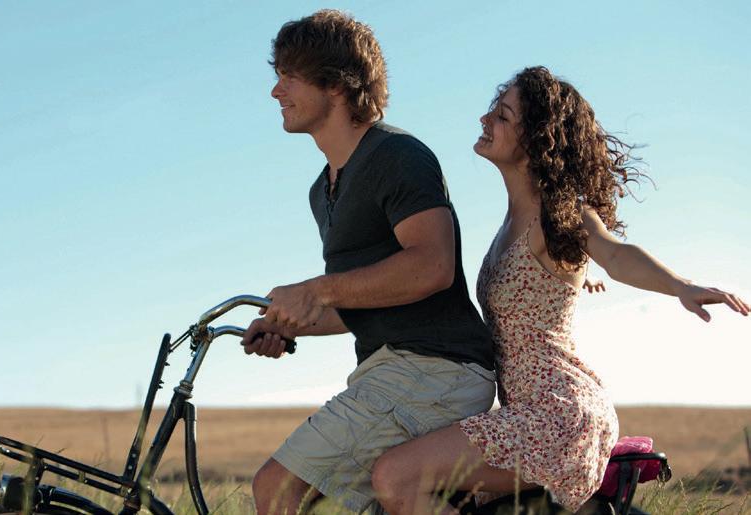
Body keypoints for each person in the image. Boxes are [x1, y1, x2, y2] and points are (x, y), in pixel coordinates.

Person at [369, 66, 750, 514]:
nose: (485, 120)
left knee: (394, 477)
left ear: (537, 139)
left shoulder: (559, 215)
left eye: (503, 116)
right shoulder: (510, 226)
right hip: (524, 415)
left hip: (558, 415)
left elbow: (615, 254)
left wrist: (680, 285)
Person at [239, 10, 498, 514]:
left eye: (289, 77)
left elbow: (433, 265)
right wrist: (289, 325)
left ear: (336, 84)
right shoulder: (322, 190)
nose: (275, 91)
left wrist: (316, 290)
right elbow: (362, 302)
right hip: (391, 369)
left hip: (435, 368)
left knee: (276, 488)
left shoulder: (398, 155)